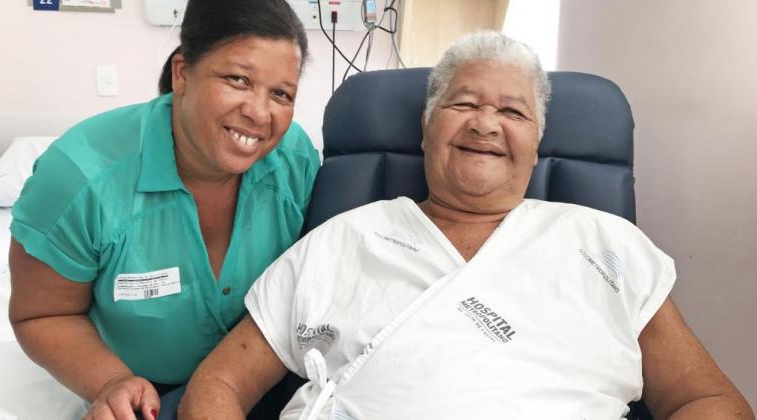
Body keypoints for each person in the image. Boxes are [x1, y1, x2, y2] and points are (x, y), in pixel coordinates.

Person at [177, 32, 754, 419]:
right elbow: (219, 383)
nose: (485, 123)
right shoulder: (345, 237)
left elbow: (706, 399)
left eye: (513, 111)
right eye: (463, 104)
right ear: (427, 128)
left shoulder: (606, 245)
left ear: (537, 146)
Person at [7, 1, 318, 419]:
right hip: (143, 395)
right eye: (239, 79)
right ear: (182, 72)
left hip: (266, 383)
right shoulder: (80, 178)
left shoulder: (295, 161)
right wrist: (110, 382)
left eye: (281, 93)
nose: (260, 113)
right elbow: (43, 313)